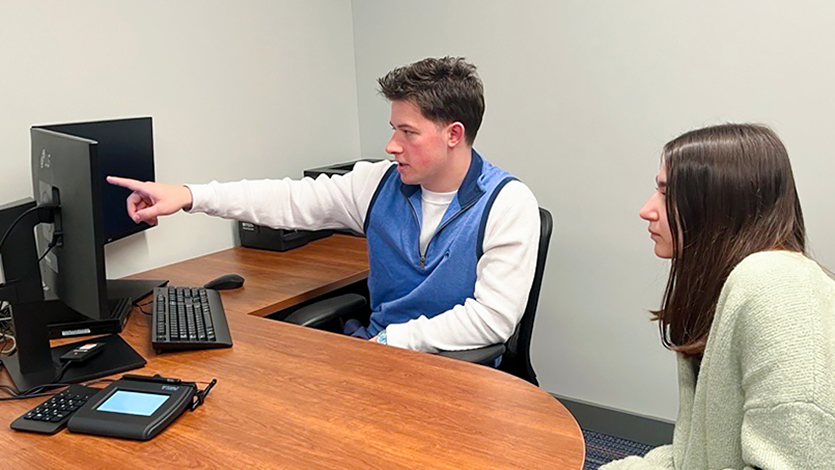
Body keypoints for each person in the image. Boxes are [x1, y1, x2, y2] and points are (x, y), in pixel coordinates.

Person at [108, 57, 540, 353]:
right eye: (393, 129)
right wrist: (189, 195)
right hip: (380, 357)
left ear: (453, 134)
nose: (391, 146)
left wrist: (394, 342)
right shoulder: (377, 184)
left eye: (408, 133)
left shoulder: (507, 203)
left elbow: (493, 320)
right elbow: (290, 199)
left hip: (456, 371)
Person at [602, 123, 835, 469]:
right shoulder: (737, 284)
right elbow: (697, 456)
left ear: (717, 203)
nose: (647, 209)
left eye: (665, 193)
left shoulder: (777, 285)